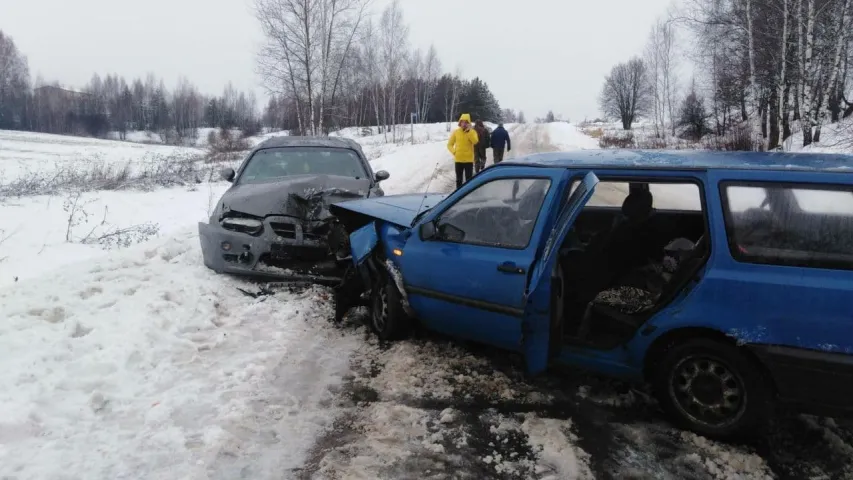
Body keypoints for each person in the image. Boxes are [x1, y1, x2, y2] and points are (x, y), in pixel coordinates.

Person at [447, 113, 479, 189]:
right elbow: (449, 145)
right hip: (458, 160)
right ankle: (458, 196)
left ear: (469, 123)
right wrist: (454, 152)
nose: (464, 124)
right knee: (458, 180)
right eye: (462, 122)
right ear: (460, 122)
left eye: (466, 122)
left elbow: (475, 142)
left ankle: (468, 196)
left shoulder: (472, 132)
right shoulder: (456, 132)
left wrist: (469, 132)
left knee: (469, 180)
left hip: (468, 160)